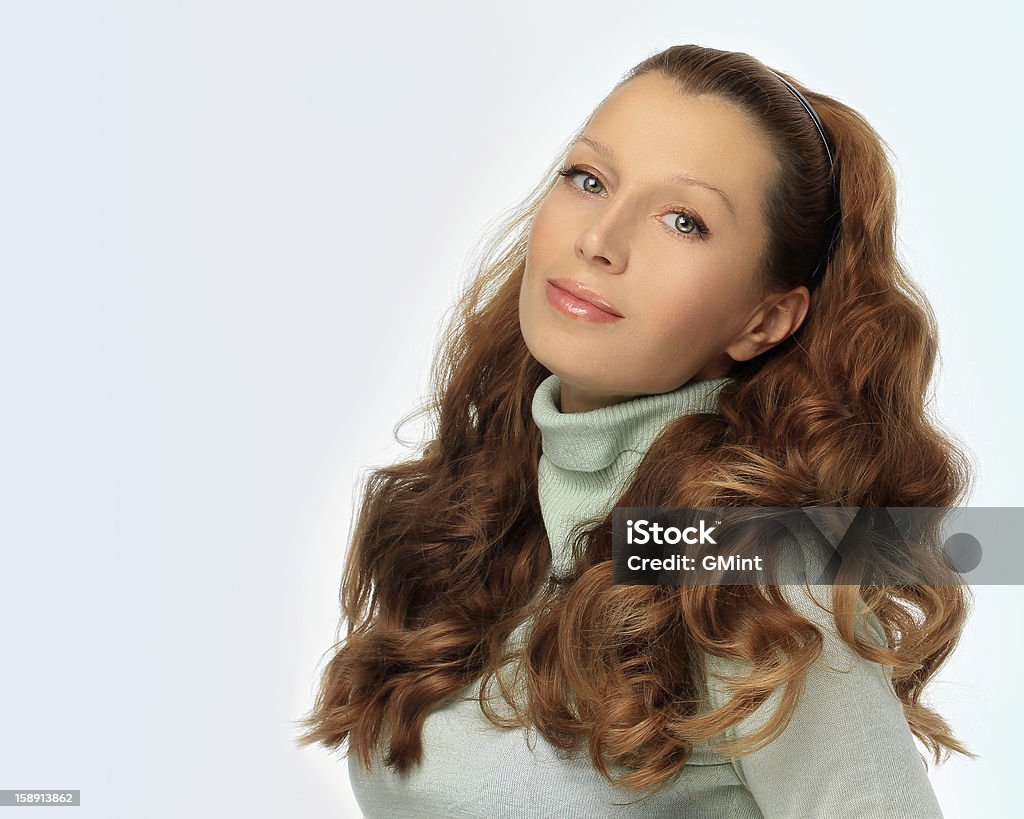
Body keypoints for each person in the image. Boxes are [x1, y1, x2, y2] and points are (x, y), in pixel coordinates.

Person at [295, 44, 975, 818]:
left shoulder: (746, 565)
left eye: (683, 221)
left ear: (765, 319)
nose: (600, 238)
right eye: (588, 179)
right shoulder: (474, 517)